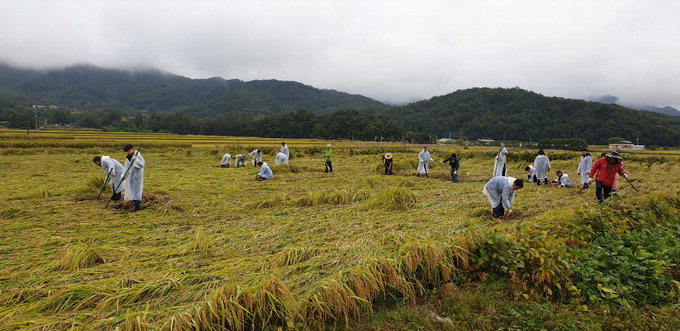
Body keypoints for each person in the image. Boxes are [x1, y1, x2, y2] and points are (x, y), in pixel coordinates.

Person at [122, 144, 145, 211]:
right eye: (127, 151)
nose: (128, 152)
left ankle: (137, 207)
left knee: (136, 191)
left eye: (128, 150)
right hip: (130, 176)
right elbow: (126, 167)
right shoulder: (128, 157)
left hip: (137, 176)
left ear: (132, 149)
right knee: (132, 190)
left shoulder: (138, 155)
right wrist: (124, 175)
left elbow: (142, 165)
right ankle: (135, 205)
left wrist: (136, 160)